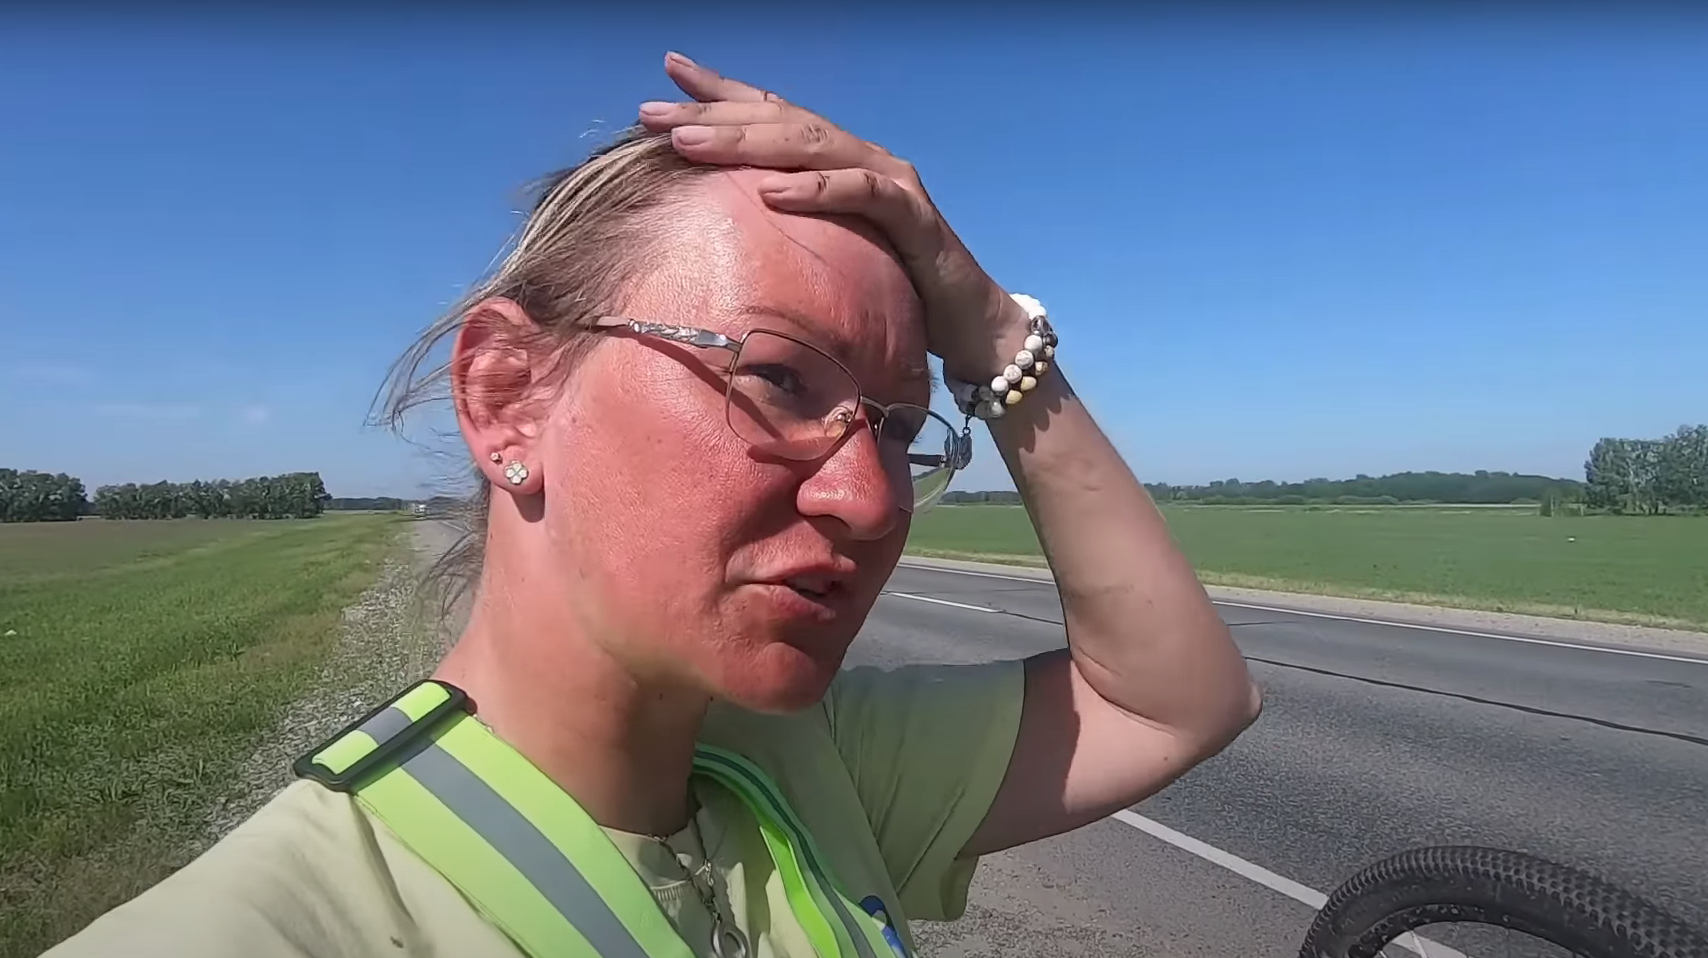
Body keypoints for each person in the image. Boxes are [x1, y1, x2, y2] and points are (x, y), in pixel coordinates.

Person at [42, 53, 1260, 958]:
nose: (869, 499)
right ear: (507, 398)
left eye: (897, 429)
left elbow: (1176, 698)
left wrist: (991, 329)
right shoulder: (271, 925)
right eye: (777, 378)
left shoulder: (812, 766)